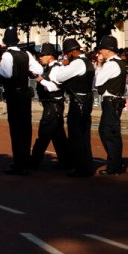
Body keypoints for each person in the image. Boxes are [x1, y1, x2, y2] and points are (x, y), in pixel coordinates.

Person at [0, 27, 42, 175]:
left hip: (14, 95)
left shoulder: (7, 55)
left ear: (6, 42)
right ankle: (25, 160)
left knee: (16, 129)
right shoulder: (25, 53)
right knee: (26, 128)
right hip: (25, 94)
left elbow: (7, 74)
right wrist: (27, 72)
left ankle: (18, 163)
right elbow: (39, 69)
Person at [49, 38, 95, 178]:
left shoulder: (78, 63)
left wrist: (62, 66)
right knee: (84, 135)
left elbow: (59, 77)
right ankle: (86, 165)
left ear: (71, 52)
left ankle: (81, 168)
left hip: (78, 101)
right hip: (85, 100)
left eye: (66, 53)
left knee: (76, 136)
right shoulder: (87, 62)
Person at [30, 43, 70, 169]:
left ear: (50, 56)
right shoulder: (49, 68)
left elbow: (54, 87)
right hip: (51, 105)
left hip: (52, 106)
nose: (40, 57)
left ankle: (34, 162)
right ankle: (66, 162)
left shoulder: (56, 69)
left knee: (43, 135)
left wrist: (40, 80)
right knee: (58, 137)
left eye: (42, 55)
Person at [95, 35, 127, 175]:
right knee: (107, 132)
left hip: (111, 102)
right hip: (112, 102)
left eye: (101, 49)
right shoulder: (116, 62)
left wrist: (100, 64)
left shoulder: (112, 64)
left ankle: (114, 165)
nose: (99, 53)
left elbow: (97, 81)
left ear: (108, 50)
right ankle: (115, 162)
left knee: (109, 133)